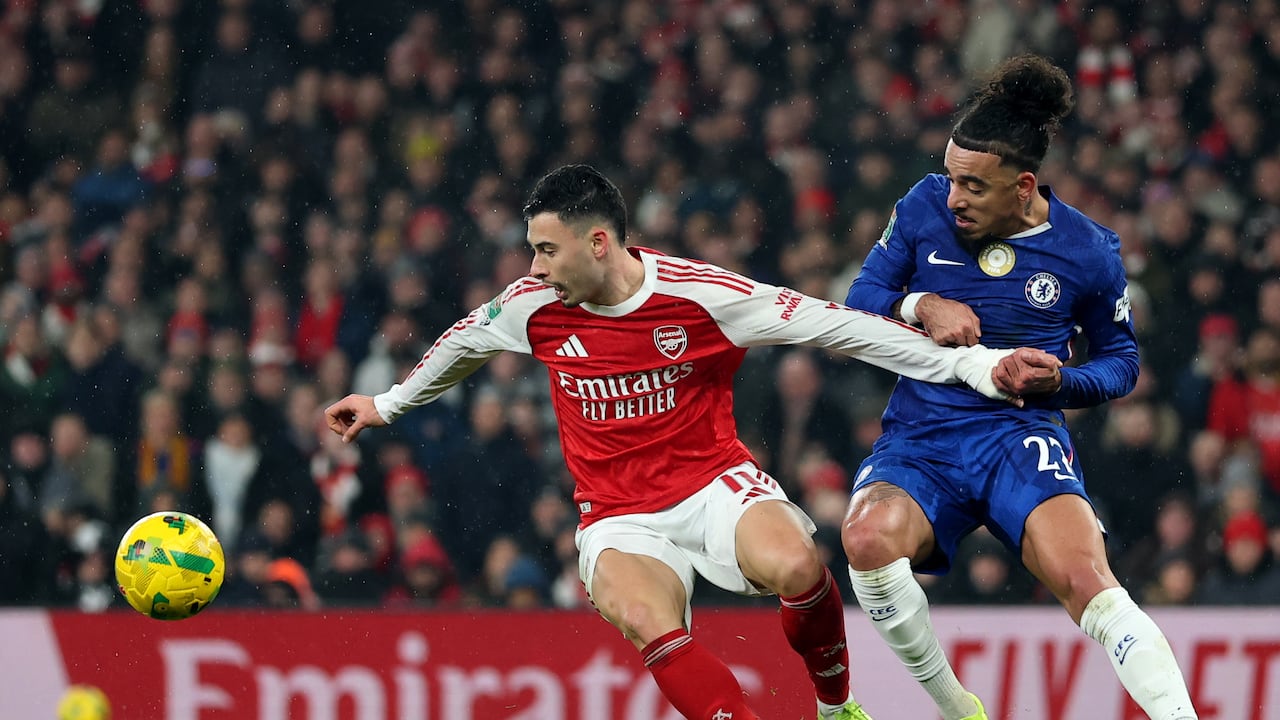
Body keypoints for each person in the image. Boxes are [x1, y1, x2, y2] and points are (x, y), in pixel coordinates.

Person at [325, 164, 1055, 720]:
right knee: (647, 618)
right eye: (532, 251)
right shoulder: (532, 308)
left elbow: (838, 326)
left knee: (799, 565)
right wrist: (387, 404)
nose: (536, 267)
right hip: (615, 514)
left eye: (547, 250)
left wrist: (971, 365)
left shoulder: (702, 297)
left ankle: (837, 709)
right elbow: (461, 342)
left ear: (599, 242)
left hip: (712, 484)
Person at [839, 55, 1198, 720]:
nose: (953, 198)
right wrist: (921, 305)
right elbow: (860, 298)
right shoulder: (922, 207)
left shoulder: (1088, 250)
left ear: (1023, 185)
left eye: (973, 186)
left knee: (1091, 584)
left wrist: (1062, 380)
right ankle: (958, 708)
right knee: (864, 539)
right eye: (950, 178)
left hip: (1020, 435)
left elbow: (1121, 361)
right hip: (923, 435)